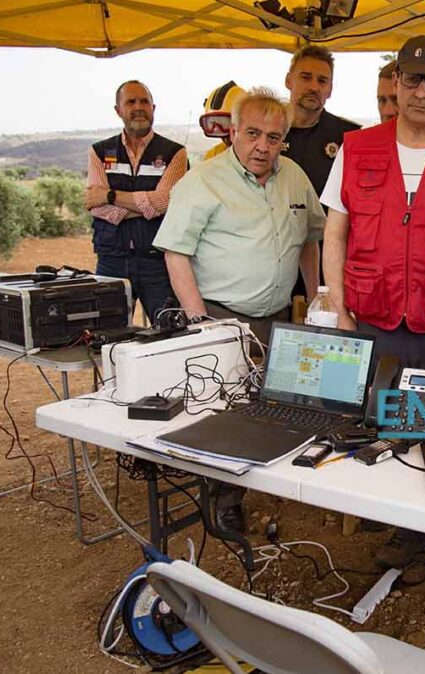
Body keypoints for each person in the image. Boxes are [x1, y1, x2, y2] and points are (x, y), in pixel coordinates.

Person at [322, 34, 425, 586]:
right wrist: (340, 309)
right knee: (394, 427)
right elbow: (336, 234)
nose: (422, 91)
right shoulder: (357, 147)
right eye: (412, 79)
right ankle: (407, 532)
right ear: (395, 84)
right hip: (376, 316)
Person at [153, 87, 325, 532]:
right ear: (232, 132)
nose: (262, 146)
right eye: (252, 134)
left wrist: (316, 301)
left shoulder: (294, 177)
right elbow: (175, 252)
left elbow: (310, 240)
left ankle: (266, 480)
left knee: (272, 405)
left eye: (273, 137)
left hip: (279, 319)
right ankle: (225, 498)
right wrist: (200, 322)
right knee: (226, 413)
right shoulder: (203, 181)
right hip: (220, 315)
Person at [84, 80, 188, 325]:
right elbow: (96, 206)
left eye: (144, 101)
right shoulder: (98, 152)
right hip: (112, 261)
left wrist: (110, 195)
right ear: (118, 110)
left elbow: (165, 202)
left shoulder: (175, 153)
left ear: (154, 107)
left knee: (169, 335)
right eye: (131, 102)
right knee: (108, 338)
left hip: (159, 262)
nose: (139, 107)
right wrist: (146, 206)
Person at [283, 46, 360, 303]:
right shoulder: (268, 133)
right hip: (275, 262)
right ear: (288, 80)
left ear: (330, 89)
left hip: (329, 265)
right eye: (305, 77)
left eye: (322, 80)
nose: (314, 86)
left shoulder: (350, 138)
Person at [199, 81, 245, 161]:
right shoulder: (213, 155)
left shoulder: (263, 154)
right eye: (213, 122)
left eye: (226, 123)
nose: (225, 137)